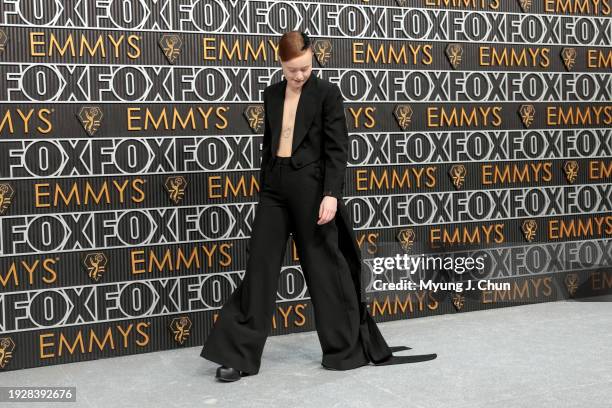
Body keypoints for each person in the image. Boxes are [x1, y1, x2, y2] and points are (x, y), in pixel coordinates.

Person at [200, 30, 437, 382]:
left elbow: (337, 149)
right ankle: (239, 356)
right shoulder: (271, 94)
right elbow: (270, 143)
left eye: (306, 67)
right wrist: (266, 184)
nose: (300, 75)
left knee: (325, 269)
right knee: (260, 269)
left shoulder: (327, 94)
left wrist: (331, 194)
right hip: (275, 190)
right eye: (293, 69)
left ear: (312, 57)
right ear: (281, 64)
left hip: (313, 190)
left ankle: (345, 351)